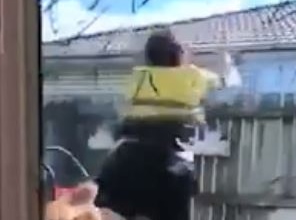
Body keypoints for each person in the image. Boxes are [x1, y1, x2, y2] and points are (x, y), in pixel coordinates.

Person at [93, 30, 222, 220]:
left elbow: (126, 103)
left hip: (129, 154)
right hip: (169, 159)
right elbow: (219, 84)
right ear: (178, 54)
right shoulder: (194, 76)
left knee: (105, 206)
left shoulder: (139, 77)